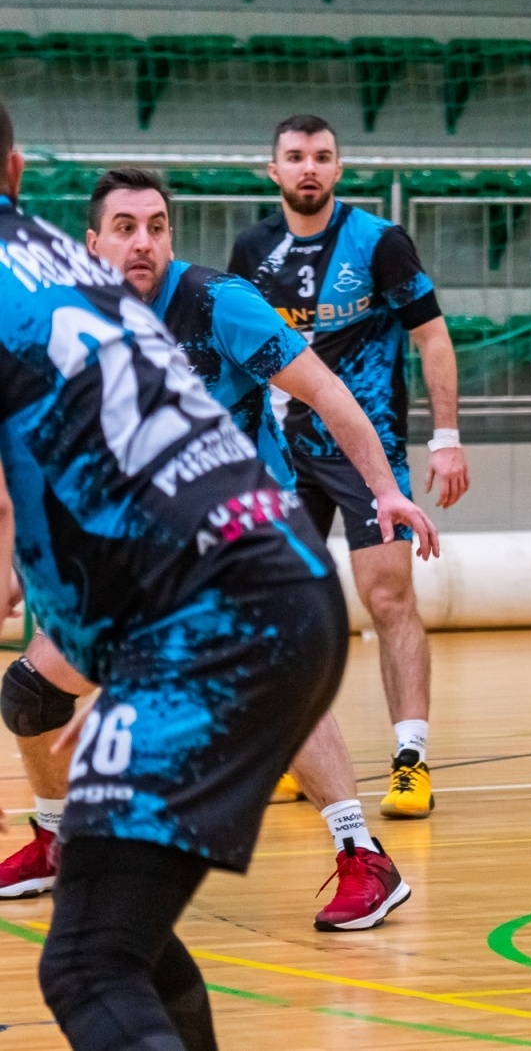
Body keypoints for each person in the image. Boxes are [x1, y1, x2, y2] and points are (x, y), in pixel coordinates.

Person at [0, 102, 363, 1051]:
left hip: (202, 618)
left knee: (85, 965)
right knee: (129, 938)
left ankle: (358, 840)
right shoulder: (71, 267)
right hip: (277, 574)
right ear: (16, 167)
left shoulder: (173, 290)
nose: (141, 241)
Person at [0, 169, 437, 932]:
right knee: (32, 697)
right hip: (138, 544)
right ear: (92, 242)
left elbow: (329, 392)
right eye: (127, 228)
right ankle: (55, 839)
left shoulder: (216, 302)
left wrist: (383, 490)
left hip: (246, 534)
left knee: (274, 679)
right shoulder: (69, 318)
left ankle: (363, 854)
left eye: (158, 226)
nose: (144, 242)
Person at [228, 115, 468, 819]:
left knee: (388, 600)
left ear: (339, 168)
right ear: (271, 170)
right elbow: (238, 353)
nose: (310, 168)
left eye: (323, 157)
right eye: (296, 157)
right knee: (278, 607)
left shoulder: (379, 244)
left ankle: (410, 760)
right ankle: (297, 752)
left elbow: (433, 339)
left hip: (368, 453)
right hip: (281, 453)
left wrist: (446, 437)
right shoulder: (252, 249)